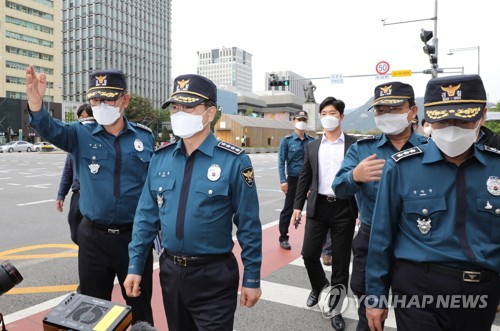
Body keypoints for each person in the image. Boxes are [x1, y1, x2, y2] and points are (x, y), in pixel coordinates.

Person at [124, 74, 262, 331]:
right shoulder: (161, 158)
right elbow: (145, 217)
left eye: (188, 107)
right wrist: (135, 265)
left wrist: (252, 277)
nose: (179, 113)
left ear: (210, 113)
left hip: (214, 276)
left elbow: (249, 225)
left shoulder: (233, 161)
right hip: (171, 272)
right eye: (176, 107)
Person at [365, 74, 500, 331]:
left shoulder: (496, 166)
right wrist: (375, 296)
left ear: (481, 117)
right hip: (419, 287)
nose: (452, 128)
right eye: (442, 121)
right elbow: (381, 237)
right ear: (428, 119)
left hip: (481, 288)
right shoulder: (402, 167)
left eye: (462, 120)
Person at [26, 66, 155, 325]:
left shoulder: (144, 137)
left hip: (133, 240)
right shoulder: (79, 133)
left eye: (108, 98)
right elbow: (49, 128)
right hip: (93, 237)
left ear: (124, 100)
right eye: (95, 99)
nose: (100, 105)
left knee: (140, 308)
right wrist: (36, 103)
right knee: (91, 310)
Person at [332, 82, 428, 331]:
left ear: (412, 110)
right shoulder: (363, 150)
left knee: (418, 315)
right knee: (369, 317)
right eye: (381, 110)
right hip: (370, 240)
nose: (386, 115)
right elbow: (339, 187)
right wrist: (355, 175)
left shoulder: (430, 151)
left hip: (417, 244)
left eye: (394, 108)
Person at [292, 97, 358, 331]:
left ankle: (336, 308)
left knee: (340, 263)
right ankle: (319, 285)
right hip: (318, 206)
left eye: (332, 112)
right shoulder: (312, 146)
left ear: (341, 116)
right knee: (309, 254)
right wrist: (297, 206)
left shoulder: (353, 145)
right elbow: (304, 177)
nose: (328, 116)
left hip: (344, 208)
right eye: (324, 113)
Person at [55, 104, 94, 245]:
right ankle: (85, 249)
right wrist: (61, 195)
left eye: (88, 117)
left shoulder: (99, 141)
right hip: (77, 193)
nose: (85, 120)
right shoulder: (74, 144)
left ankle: (89, 253)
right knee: (73, 222)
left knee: (92, 228)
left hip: (93, 194)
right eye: (82, 117)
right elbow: (67, 172)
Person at [278, 110, 315, 250]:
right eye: (299, 119)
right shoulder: (286, 141)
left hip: (309, 180)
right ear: (293, 121)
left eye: (304, 120)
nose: (302, 122)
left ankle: (316, 239)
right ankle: (283, 237)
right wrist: (283, 180)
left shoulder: (312, 141)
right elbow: (281, 161)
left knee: (313, 209)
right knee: (288, 209)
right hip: (293, 180)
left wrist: (313, 184)